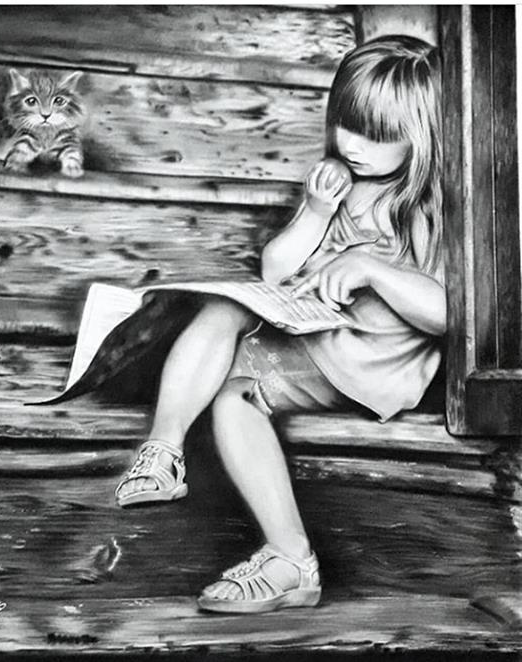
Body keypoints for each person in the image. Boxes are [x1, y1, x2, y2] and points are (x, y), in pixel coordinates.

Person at [113, 35, 445, 614]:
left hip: (366, 361)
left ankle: (291, 558)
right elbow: (276, 269)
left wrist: (371, 268)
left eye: (376, 134)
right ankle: (163, 451)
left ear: (423, 135)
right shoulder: (342, 185)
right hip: (314, 339)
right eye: (347, 125)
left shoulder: (422, 208)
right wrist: (315, 213)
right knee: (222, 314)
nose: (353, 145)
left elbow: (446, 314)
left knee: (234, 396)